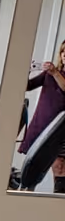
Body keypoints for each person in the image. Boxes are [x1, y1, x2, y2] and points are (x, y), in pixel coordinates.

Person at [22, 41, 65, 193]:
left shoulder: (54, 74)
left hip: (60, 129)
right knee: (34, 166)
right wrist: (25, 70)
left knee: (59, 166)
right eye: (63, 52)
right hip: (42, 125)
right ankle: (24, 197)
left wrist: (55, 73)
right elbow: (26, 86)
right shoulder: (48, 74)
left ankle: (59, 201)